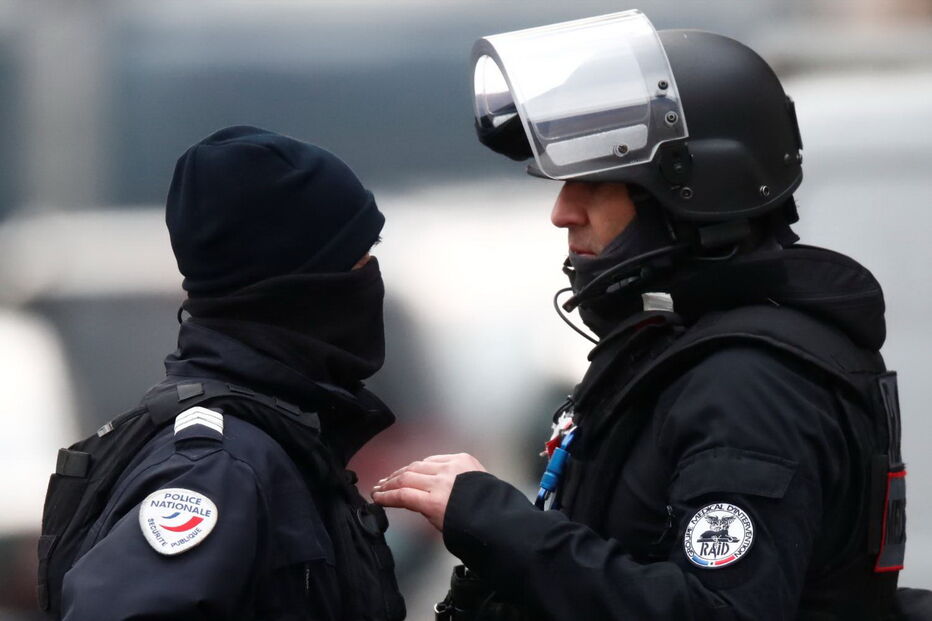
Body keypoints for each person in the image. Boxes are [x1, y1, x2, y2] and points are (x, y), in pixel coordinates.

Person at [372, 11, 910, 620]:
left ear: (687, 190)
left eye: (594, 184)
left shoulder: (749, 384)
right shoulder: (683, 352)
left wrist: (496, 523)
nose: (562, 212)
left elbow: (716, 614)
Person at [44, 126, 406, 620]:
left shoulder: (273, 441)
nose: (371, 271)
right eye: (359, 254)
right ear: (301, 281)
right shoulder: (217, 467)